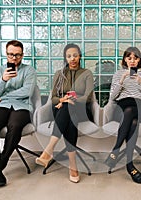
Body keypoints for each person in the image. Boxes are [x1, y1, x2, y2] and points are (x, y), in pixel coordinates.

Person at [0, 40, 37, 187]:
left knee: (14, 125)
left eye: (17, 55)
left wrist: (4, 95)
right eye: (11, 54)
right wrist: (3, 80)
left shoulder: (29, 70)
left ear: (22, 55)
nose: (14, 58)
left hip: (22, 107)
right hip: (1, 106)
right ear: (6, 54)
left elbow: (28, 91)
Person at [35, 44, 94, 183]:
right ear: (65, 58)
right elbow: (53, 98)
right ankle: (73, 166)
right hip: (61, 107)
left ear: (80, 56)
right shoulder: (59, 74)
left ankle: (49, 150)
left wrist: (73, 99)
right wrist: (63, 99)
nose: (72, 58)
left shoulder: (87, 73)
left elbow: (88, 97)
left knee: (69, 109)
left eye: (75, 55)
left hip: (82, 109)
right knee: (68, 114)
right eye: (69, 56)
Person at [104, 47, 141, 184]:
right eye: (129, 58)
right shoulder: (118, 74)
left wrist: (140, 82)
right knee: (132, 122)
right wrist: (121, 81)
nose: (132, 61)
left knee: (132, 111)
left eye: (135, 58)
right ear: (125, 60)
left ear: (139, 60)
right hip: (122, 107)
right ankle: (129, 165)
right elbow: (113, 97)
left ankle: (115, 150)